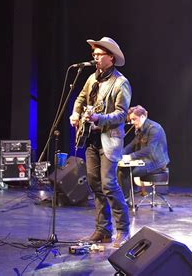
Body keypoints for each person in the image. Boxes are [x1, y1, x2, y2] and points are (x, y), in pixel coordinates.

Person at [69, 36, 131, 248]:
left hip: (109, 140)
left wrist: (99, 118)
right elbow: (80, 99)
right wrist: (75, 113)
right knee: (95, 184)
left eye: (98, 54)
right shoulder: (91, 79)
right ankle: (103, 229)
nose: (94, 57)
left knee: (109, 184)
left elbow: (122, 115)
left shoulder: (120, 83)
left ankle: (123, 230)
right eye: (93, 54)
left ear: (111, 58)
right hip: (91, 138)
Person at [118, 105, 170, 202]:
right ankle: (125, 199)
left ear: (142, 117)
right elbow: (132, 145)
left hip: (156, 163)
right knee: (122, 170)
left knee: (128, 172)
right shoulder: (140, 129)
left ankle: (125, 200)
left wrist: (130, 157)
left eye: (134, 119)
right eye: (131, 120)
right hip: (146, 161)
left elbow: (149, 149)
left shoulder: (154, 128)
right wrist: (119, 155)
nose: (132, 122)